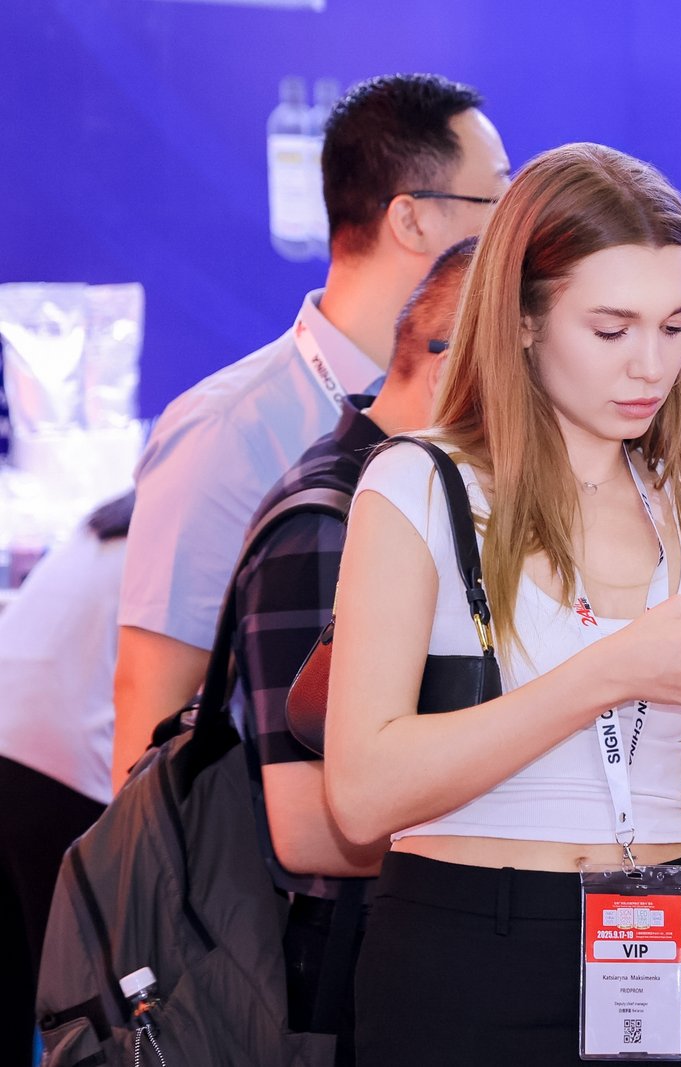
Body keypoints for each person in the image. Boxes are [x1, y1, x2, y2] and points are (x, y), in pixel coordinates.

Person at [321, 143, 681, 1064]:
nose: (650, 365)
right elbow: (362, 797)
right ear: (524, 320)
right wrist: (609, 673)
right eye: (611, 330)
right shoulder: (420, 487)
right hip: (466, 955)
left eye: (675, 326)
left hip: (674, 940)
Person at [113, 73, 509, 791]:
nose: (515, 231)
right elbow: (150, 705)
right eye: (498, 199)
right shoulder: (228, 430)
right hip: (270, 844)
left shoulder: (476, 409)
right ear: (413, 220)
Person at [229, 237, 475, 1063]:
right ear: (452, 369)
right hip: (343, 974)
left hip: (410, 951)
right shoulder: (331, 520)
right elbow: (306, 826)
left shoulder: (421, 498)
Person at [0, 492, 131, 1065]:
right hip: (65, 769)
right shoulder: (177, 534)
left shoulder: (103, 524)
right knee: (73, 995)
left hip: (12, 742)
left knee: (15, 973)